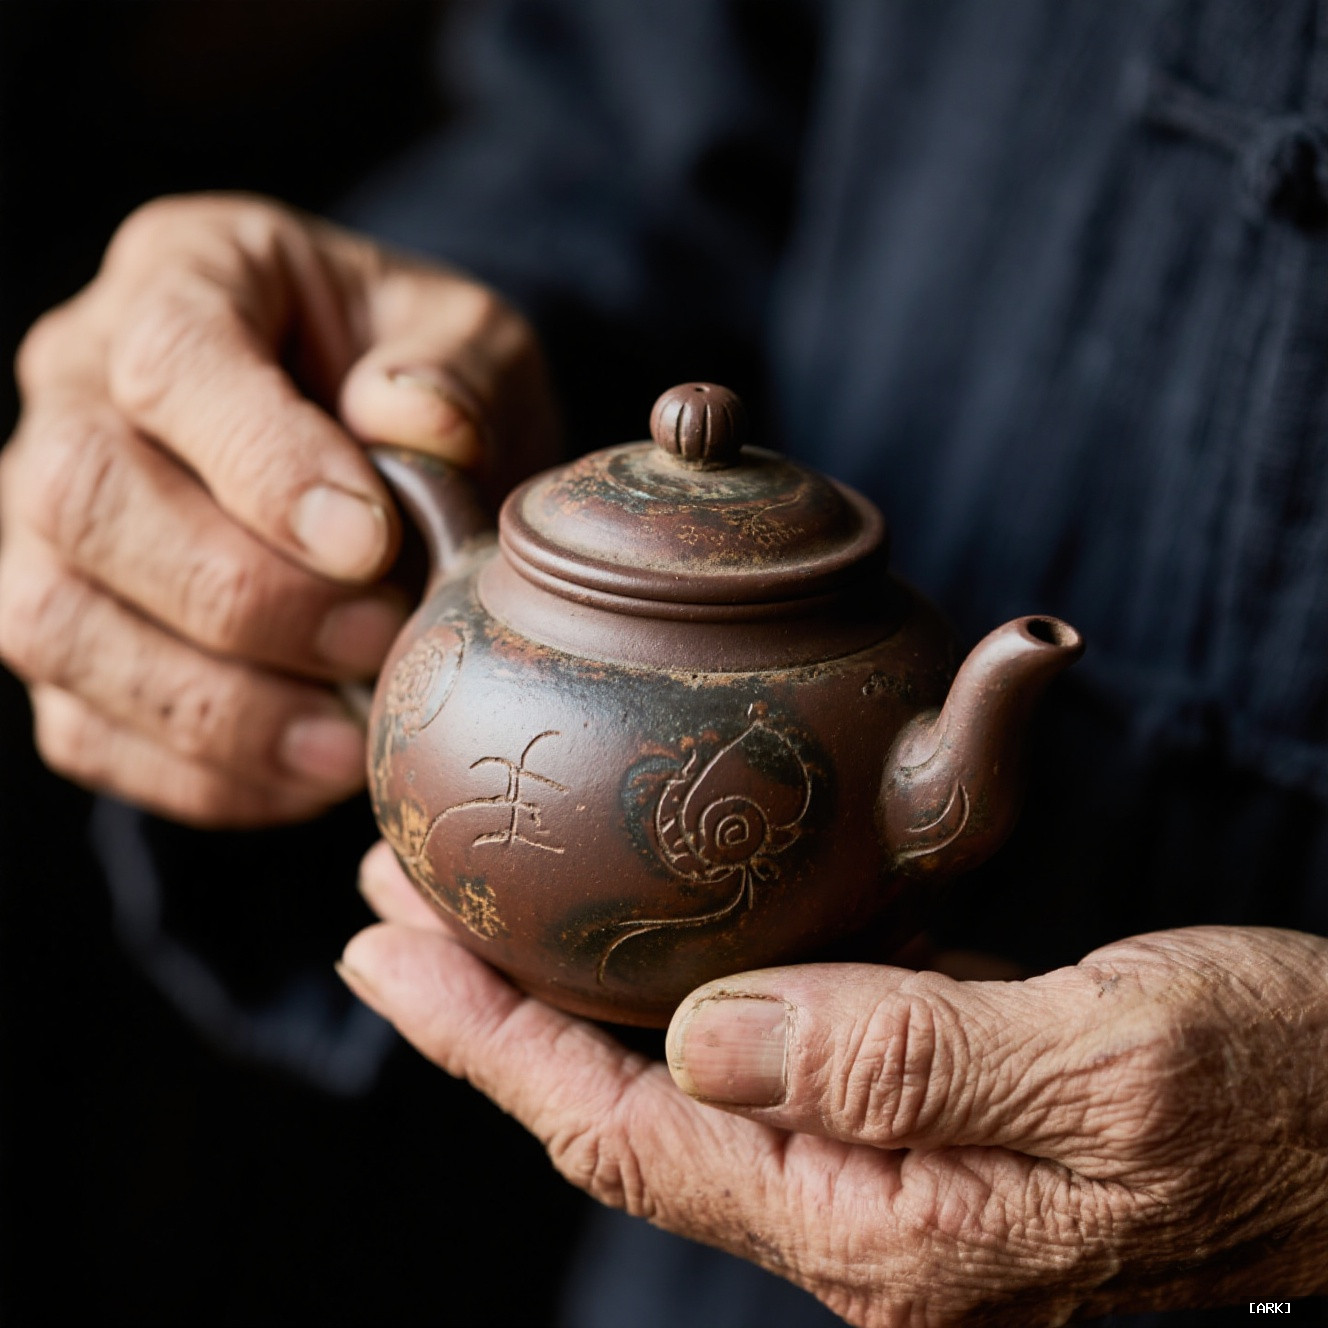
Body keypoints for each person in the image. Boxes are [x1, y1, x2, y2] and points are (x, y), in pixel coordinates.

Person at [2, 2, 1327, 1322]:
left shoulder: (879, 646)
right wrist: (356, 367)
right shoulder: (543, 588)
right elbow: (616, 137)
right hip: (730, 1255)